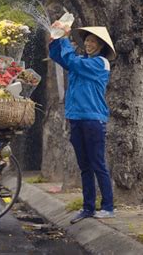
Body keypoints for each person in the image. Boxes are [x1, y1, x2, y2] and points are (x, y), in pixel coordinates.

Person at [49, 23, 116, 224]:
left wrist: (65, 40)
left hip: (93, 119)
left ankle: (108, 207)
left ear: (101, 46)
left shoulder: (101, 63)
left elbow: (72, 61)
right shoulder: (79, 60)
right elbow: (58, 57)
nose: (88, 44)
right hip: (76, 118)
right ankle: (87, 208)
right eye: (86, 40)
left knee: (98, 164)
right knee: (84, 166)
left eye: (93, 41)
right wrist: (55, 40)